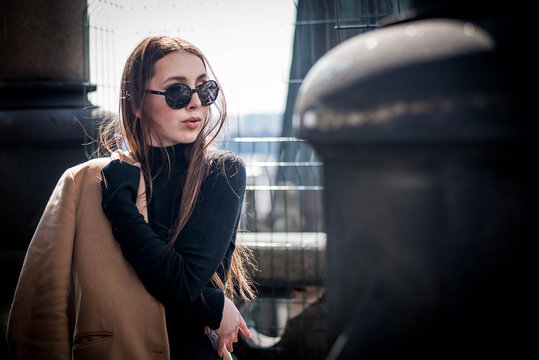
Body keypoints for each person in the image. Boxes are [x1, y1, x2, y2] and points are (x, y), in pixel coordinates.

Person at [7, 35, 255, 360]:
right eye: (177, 92)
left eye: (205, 89)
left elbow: (180, 284)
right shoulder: (84, 180)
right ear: (136, 103)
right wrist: (210, 304)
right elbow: (41, 304)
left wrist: (120, 208)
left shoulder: (222, 173)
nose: (196, 103)